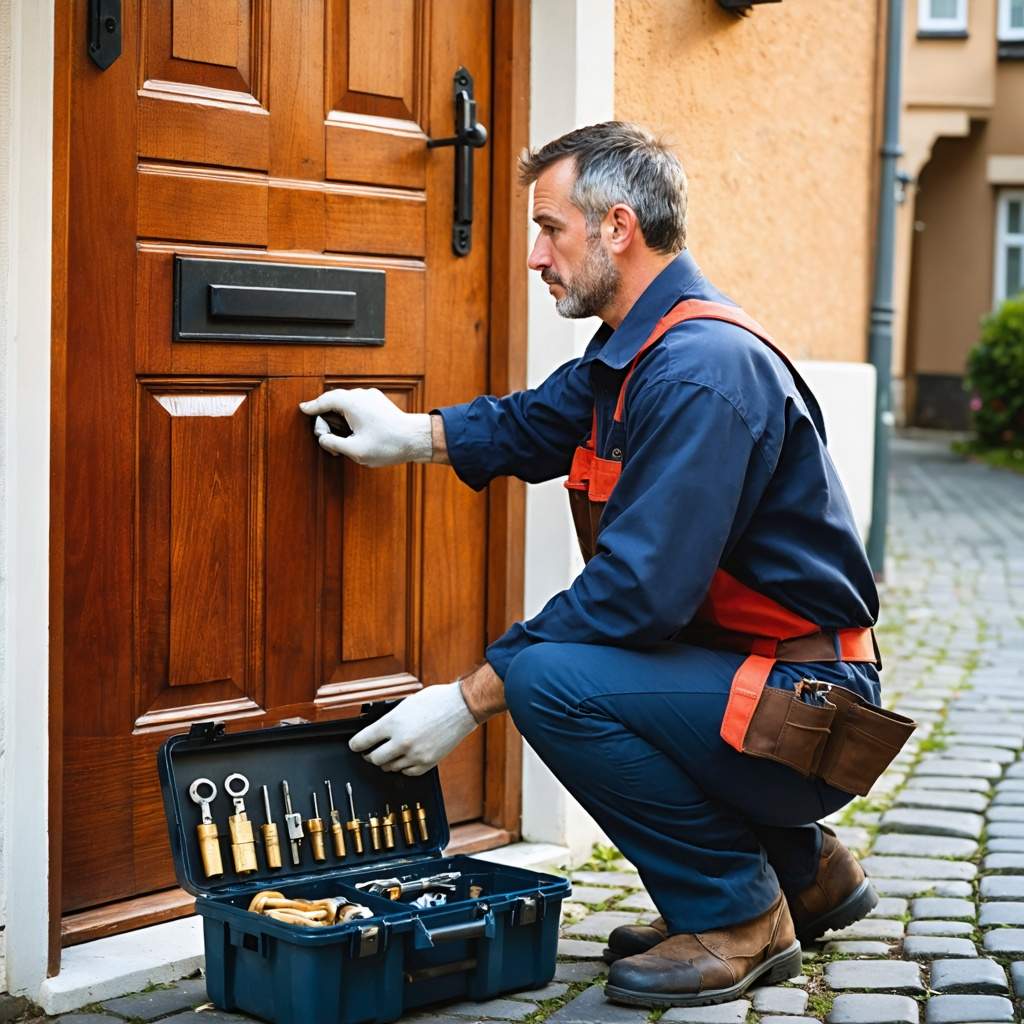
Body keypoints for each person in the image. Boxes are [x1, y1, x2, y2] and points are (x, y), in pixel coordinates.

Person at [299, 122, 883, 1010]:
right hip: (752, 682)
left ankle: (739, 916)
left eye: (551, 230)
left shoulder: (697, 373)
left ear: (617, 228)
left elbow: (636, 599)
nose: (537, 256)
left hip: (807, 711)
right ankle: (803, 874)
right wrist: (408, 434)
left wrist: (464, 702)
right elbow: (534, 423)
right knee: (566, 669)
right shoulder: (635, 351)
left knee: (549, 679)